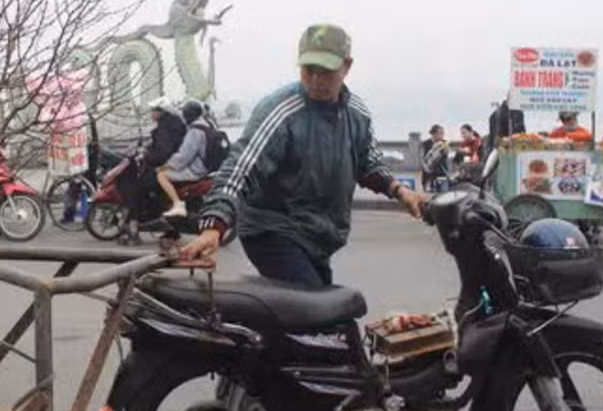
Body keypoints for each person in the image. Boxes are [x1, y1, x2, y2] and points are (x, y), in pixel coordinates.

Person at [181, 23, 425, 285]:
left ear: (346, 66)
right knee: (315, 304)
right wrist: (214, 226)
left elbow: (369, 162)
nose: (316, 80)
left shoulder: (357, 113)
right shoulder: (281, 111)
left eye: (326, 72)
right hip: (273, 230)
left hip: (319, 235)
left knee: (333, 308)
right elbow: (242, 166)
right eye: (309, 70)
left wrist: (401, 192)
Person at [120, 99, 186, 244]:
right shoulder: (173, 125)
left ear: (161, 112)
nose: (151, 113)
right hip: (175, 166)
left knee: (136, 189)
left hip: (166, 167)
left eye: (153, 110)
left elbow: (163, 152)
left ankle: (133, 230)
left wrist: (146, 156)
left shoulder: (165, 129)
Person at [157, 101, 211, 218]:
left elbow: (183, 157)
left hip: (196, 170)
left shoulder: (195, 132)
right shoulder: (207, 125)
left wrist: (166, 165)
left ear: (188, 115)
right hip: (207, 168)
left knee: (161, 175)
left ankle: (177, 204)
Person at [421, 125, 450, 193]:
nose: (442, 135)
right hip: (429, 176)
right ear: (433, 134)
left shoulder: (444, 144)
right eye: (440, 133)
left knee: (443, 195)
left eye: (443, 133)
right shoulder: (425, 144)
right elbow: (422, 160)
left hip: (442, 174)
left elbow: (445, 154)